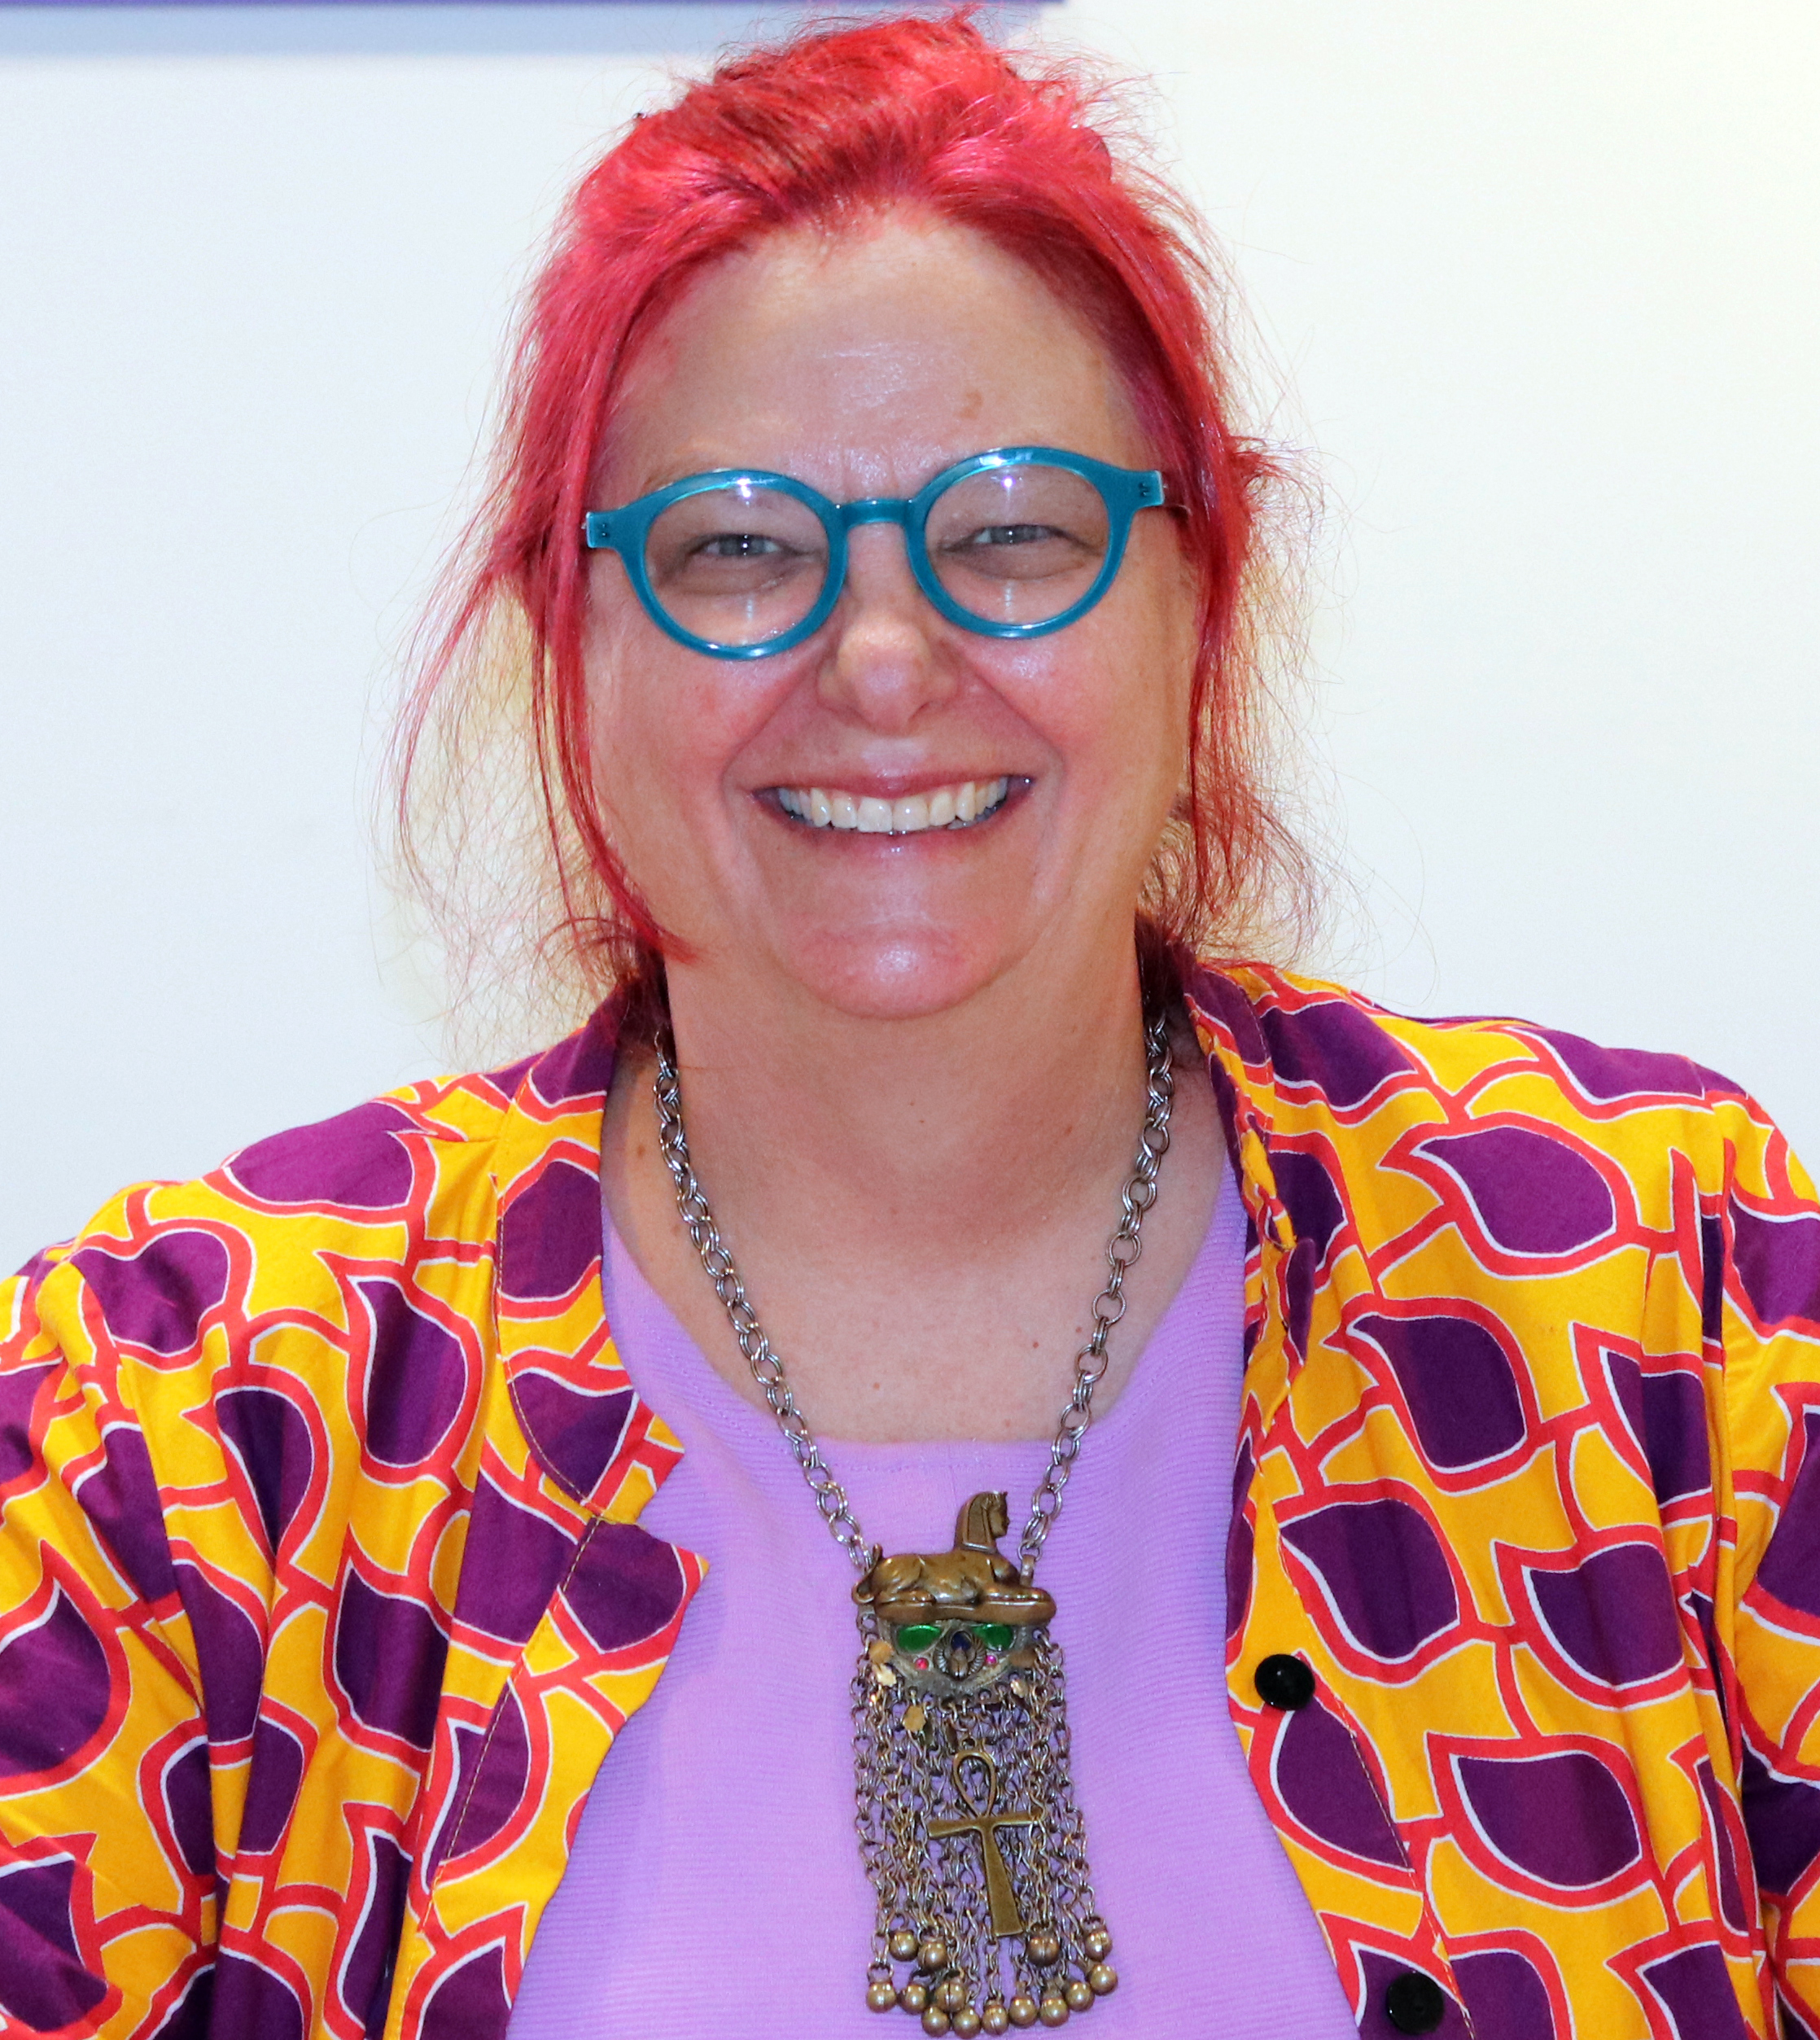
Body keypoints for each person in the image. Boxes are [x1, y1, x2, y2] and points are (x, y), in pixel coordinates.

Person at [2, 12, 1818, 2040]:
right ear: (565, 641)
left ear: (1198, 598)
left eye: (1014, 530)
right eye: (739, 551)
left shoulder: (1670, 1308)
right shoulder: (188, 1422)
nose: (880, 655)